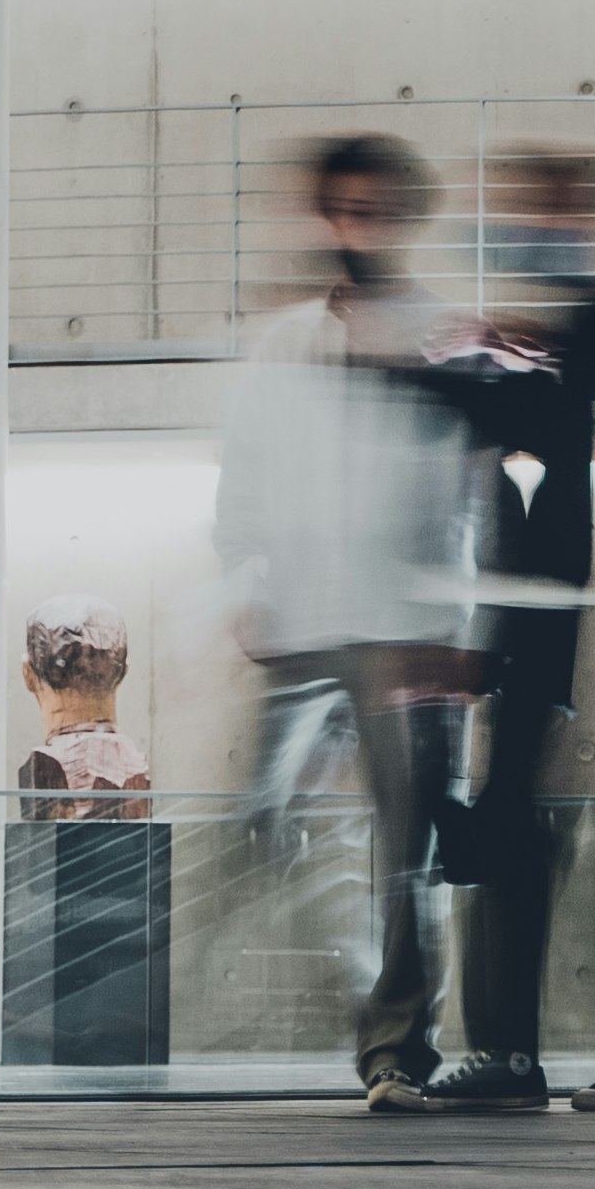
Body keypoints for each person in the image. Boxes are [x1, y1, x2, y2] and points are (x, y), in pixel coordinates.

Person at [411, 145, 595, 1113]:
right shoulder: (543, 358)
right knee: (526, 841)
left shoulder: (579, 342)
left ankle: (578, 1052)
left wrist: (489, 345)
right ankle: (541, 1052)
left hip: (551, 648)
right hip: (524, 646)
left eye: (553, 209)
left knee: (540, 844)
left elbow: (581, 373)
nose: (532, 227)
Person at [213, 132, 489, 1108]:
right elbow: (244, 472)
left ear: (402, 217)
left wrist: (457, 631)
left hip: (401, 627)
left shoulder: (439, 333)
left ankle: (394, 1050)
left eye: (381, 206)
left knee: (404, 848)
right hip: (302, 616)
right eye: (349, 205)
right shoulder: (286, 341)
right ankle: (310, 1009)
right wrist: (249, 582)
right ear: (330, 214)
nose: (363, 221)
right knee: (258, 817)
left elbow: (464, 495)